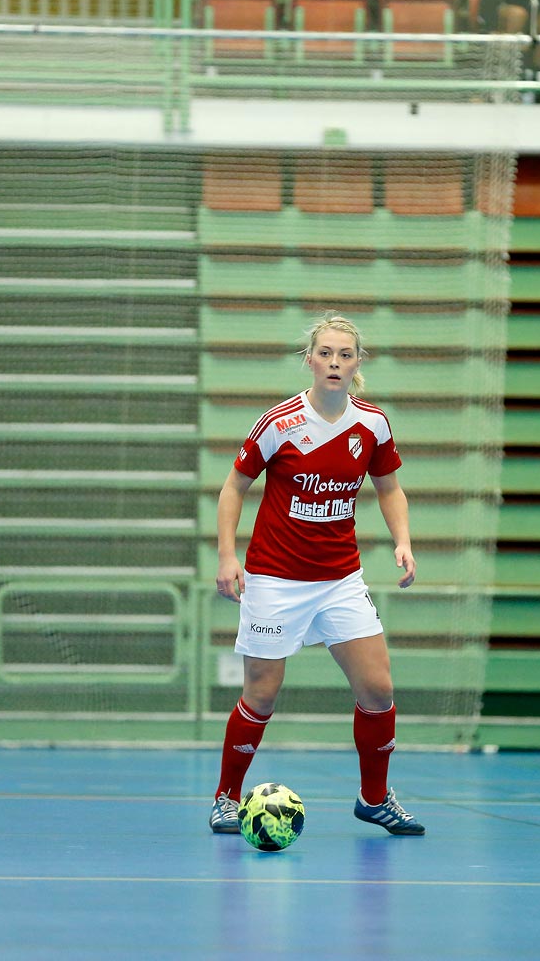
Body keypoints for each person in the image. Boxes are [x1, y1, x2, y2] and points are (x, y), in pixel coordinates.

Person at [208, 313, 424, 838]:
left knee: (378, 689)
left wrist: (403, 541)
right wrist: (226, 556)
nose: (334, 362)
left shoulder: (371, 424)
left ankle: (374, 798)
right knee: (261, 694)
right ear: (309, 359)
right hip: (275, 579)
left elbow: (389, 487)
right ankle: (226, 798)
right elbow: (234, 488)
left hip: (339, 579)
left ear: (357, 363)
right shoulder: (280, 423)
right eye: (325, 353)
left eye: (344, 354)